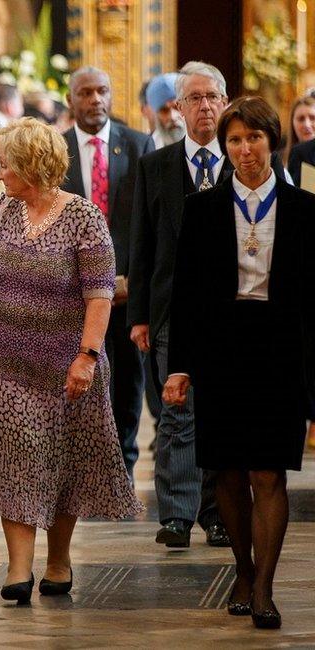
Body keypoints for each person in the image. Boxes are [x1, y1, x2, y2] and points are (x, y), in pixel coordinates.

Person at [0, 117, 142, 605]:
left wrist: (87, 356)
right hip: (3, 361)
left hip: (66, 365)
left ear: (29, 164)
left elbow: (100, 296)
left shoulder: (84, 217)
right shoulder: (3, 209)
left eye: (4, 164)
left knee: (62, 464)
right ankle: (19, 568)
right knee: (15, 460)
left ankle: (58, 558)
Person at [163, 96, 315, 630]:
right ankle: (243, 570)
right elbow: (185, 296)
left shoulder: (304, 210)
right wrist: (180, 367)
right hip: (222, 348)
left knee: (269, 471)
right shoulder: (203, 208)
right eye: (234, 140)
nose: (245, 150)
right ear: (224, 148)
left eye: (254, 138)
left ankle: (268, 588)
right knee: (227, 470)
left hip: (281, 349)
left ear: (272, 142)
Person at [129, 61, 233, 550]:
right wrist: (140, 317)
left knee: (221, 413)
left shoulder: (242, 163)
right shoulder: (157, 166)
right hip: (172, 309)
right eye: (194, 98)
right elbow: (142, 247)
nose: (204, 106)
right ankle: (175, 515)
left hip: (232, 311)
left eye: (212, 96)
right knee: (177, 413)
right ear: (179, 108)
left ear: (224, 104)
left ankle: (217, 513)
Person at [60, 66, 154, 479]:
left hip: (127, 286)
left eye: (102, 91)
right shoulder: (56, 149)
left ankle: (125, 466)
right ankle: (88, 467)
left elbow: (146, 217)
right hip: (73, 289)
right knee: (83, 377)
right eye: (85, 92)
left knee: (129, 379)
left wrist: (132, 277)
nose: (95, 99)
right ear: (71, 100)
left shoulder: (137, 144)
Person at [144, 73, 185, 150]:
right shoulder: (149, 149)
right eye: (164, 111)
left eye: (177, 107)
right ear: (156, 116)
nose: (172, 117)